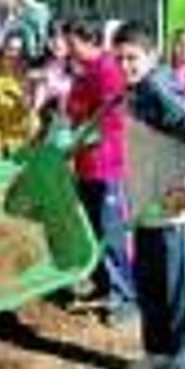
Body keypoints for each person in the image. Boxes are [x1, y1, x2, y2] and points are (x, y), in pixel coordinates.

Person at [112, 22, 185, 369]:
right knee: (152, 287)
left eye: (132, 57)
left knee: (183, 295)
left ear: (152, 55)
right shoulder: (135, 91)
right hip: (150, 205)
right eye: (119, 58)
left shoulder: (161, 87)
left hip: (179, 208)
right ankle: (159, 354)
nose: (125, 65)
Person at [65, 20, 137, 325]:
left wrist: (79, 135)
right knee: (92, 229)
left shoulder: (107, 69)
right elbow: (74, 110)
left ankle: (126, 297)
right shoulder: (83, 73)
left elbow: (108, 114)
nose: (67, 48)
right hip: (85, 164)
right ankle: (103, 284)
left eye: (70, 42)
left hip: (108, 164)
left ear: (86, 40)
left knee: (112, 232)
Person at [0, 32, 38, 162]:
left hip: (22, 144)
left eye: (18, 51)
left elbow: (31, 116)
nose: (14, 55)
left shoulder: (28, 78)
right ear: (3, 49)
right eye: (10, 49)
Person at [14, 0, 52, 67]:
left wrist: (38, 52)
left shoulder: (39, 10)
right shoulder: (24, 11)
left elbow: (41, 32)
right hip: (25, 51)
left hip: (35, 53)